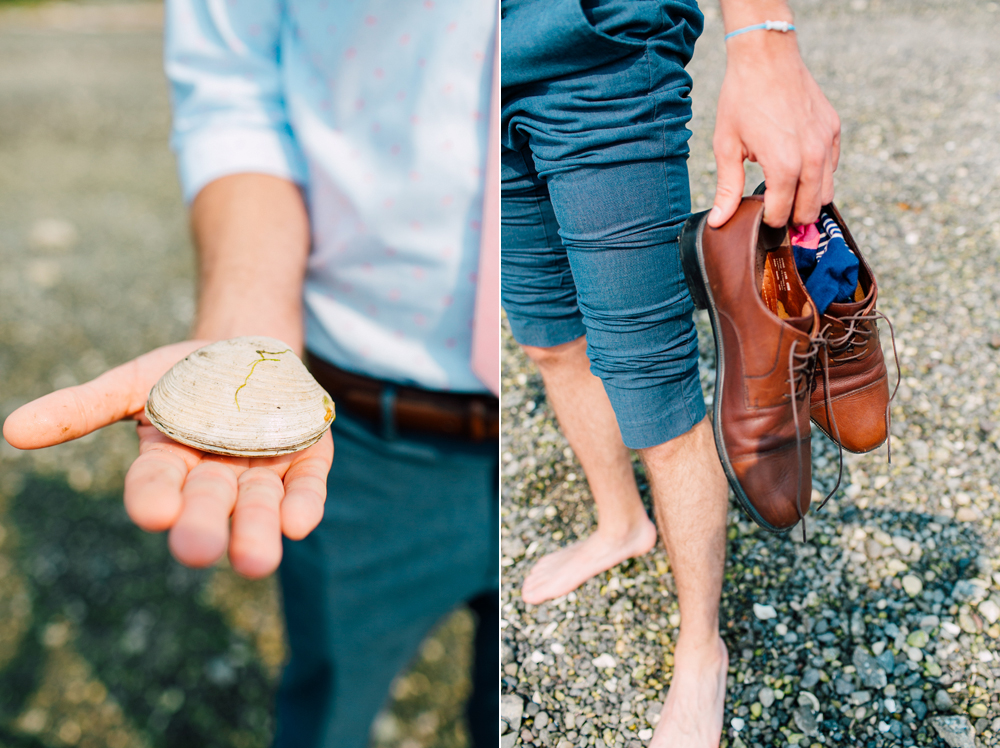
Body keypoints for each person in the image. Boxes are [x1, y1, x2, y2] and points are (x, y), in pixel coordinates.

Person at [2, 2, 498, 747]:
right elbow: (235, 91)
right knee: (327, 706)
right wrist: (245, 327)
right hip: (353, 437)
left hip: (570, 402)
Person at [501, 0, 839, 743]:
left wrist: (763, 39)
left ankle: (700, 649)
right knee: (550, 340)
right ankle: (621, 525)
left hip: (594, 52)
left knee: (654, 384)